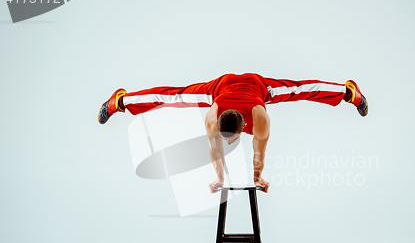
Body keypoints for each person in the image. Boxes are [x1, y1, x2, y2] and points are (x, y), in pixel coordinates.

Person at [98, 73, 368, 193]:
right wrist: (218, 177)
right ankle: (120, 100)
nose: (228, 143)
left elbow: (258, 152)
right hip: (221, 87)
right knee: (173, 97)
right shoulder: (212, 119)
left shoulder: (260, 120)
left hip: (257, 86)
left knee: (299, 90)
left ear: (245, 128)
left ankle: (349, 92)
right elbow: (214, 150)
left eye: (232, 140)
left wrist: (258, 178)